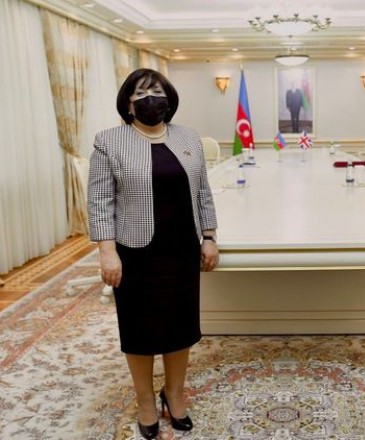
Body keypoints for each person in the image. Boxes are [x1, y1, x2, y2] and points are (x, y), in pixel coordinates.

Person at [87, 68, 219, 439]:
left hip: (182, 249)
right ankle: (145, 399)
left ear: (169, 99)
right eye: (141, 93)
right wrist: (107, 251)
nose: (151, 99)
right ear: (128, 104)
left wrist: (209, 236)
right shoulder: (109, 141)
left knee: (180, 327)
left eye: (157, 91)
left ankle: (173, 394)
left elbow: (203, 191)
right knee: (139, 330)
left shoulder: (187, 137)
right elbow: (100, 200)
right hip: (135, 252)